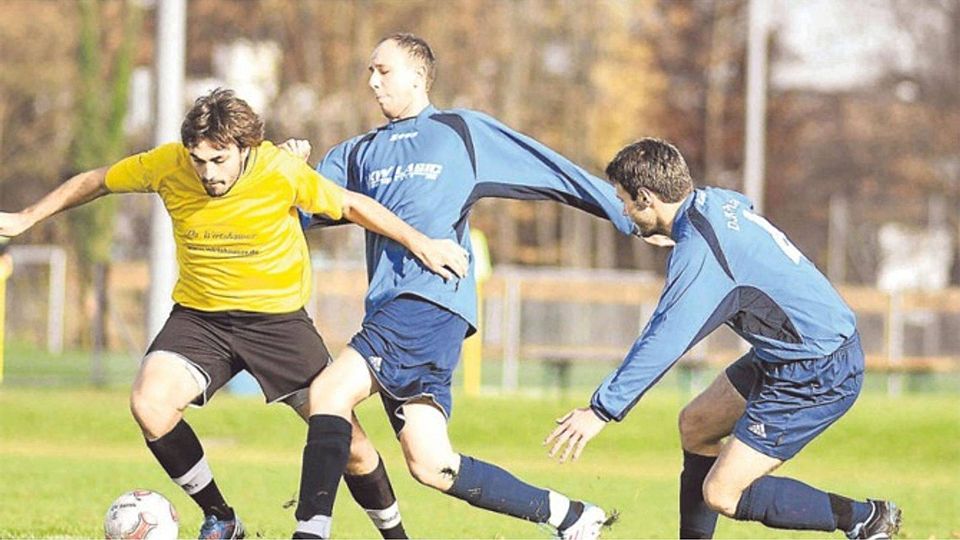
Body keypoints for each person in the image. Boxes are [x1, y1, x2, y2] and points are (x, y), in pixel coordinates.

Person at [0, 88, 469, 540]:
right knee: (150, 404)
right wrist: (27, 218)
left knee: (352, 445)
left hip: (278, 325)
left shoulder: (280, 169)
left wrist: (421, 243)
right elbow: (98, 180)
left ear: (246, 149)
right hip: (200, 319)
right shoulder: (168, 164)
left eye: (219, 160)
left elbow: (350, 204)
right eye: (199, 160)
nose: (207, 173)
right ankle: (221, 517)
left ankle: (397, 535)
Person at [289, 33, 638, 539]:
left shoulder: (461, 131)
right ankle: (571, 516)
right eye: (369, 71)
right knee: (432, 465)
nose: (371, 82)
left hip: (428, 300)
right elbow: (297, 214)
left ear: (417, 74)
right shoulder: (356, 152)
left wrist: (629, 216)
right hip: (394, 311)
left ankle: (310, 532)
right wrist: (283, 172)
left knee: (328, 393)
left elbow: (551, 169)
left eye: (382, 71)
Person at [546, 138, 902, 539]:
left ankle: (864, 518)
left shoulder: (701, 256)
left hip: (819, 370)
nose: (624, 212)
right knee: (697, 424)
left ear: (646, 197)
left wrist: (601, 412)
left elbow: (663, 340)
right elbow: (741, 209)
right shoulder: (714, 202)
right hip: (787, 354)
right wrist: (676, 233)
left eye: (625, 201)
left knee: (721, 492)